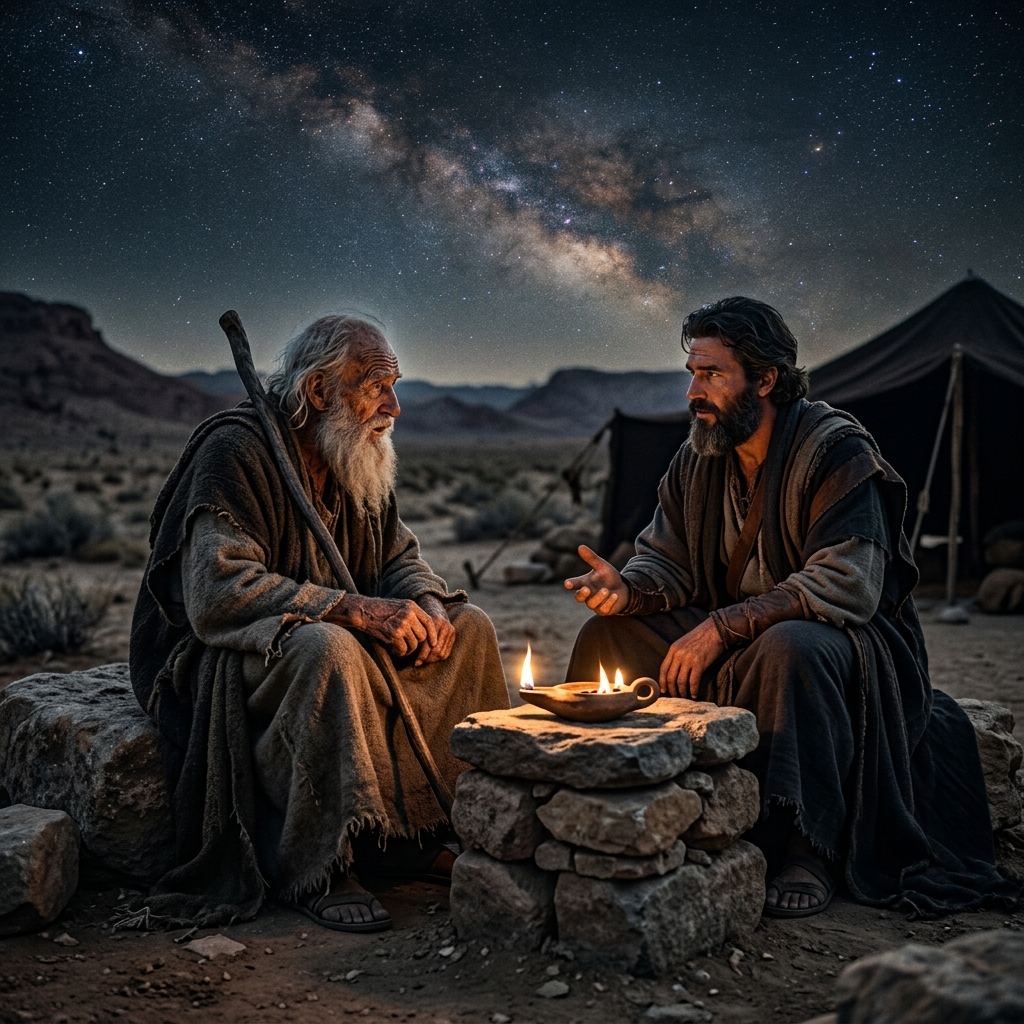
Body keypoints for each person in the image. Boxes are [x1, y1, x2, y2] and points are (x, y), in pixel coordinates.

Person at [563, 297, 1019, 918]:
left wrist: (723, 627)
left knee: (789, 649)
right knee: (607, 637)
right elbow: (665, 560)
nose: (695, 390)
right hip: (735, 633)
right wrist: (628, 589)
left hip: (843, 641)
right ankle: (612, 792)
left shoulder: (837, 451)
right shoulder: (698, 455)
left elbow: (845, 584)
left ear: (766, 378)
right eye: (692, 372)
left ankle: (810, 846)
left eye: (713, 374)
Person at [129, 315, 508, 933]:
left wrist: (429, 605)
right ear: (318, 392)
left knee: (471, 630)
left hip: (325, 633)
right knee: (328, 648)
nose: (394, 406)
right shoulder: (238, 449)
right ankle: (319, 866)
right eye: (375, 386)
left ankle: (417, 834)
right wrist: (354, 609)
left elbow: (398, 559)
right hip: (228, 648)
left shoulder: (356, 451)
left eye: (396, 384)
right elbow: (217, 589)